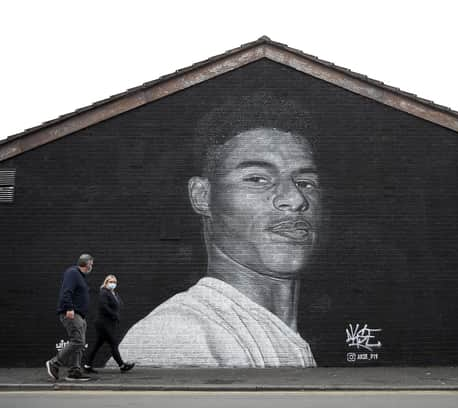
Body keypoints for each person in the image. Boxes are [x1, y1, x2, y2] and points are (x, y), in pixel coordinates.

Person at [117, 124, 322, 367]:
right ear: (202, 196)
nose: (295, 199)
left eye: (306, 182)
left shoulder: (279, 333)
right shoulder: (177, 336)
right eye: (257, 179)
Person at [45, 254, 94, 381]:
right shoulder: (72, 272)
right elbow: (66, 291)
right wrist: (69, 308)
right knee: (78, 340)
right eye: (91, 264)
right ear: (87, 263)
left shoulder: (80, 276)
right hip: (72, 313)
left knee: (79, 344)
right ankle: (54, 363)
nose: (92, 267)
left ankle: (75, 371)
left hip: (80, 315)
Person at [83, 275, 135, 373]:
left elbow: (119, 304)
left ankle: (87, 365)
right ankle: (122, 365)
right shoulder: (104, 292)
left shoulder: (114, 293)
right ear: (106, 282)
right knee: (113, 343)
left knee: (97, 345)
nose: (113, 284)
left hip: (108, 323)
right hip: (103, 323)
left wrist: (116, 312)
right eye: (111, 282)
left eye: (114, 282)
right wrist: (114, 315)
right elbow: (104, 307)